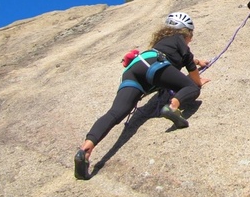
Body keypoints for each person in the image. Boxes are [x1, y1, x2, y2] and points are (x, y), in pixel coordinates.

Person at [74, 12, 210, 180]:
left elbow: (185, 59)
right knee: (192, 88)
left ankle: (85, 150)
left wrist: (199, 62)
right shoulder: (179, 41)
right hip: (155, 66)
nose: (191, 39)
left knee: (116, 112)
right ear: (185, 32)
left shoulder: (163, 43)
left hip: (135, 70)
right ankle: (172, 107)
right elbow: (192, 74)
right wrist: (198, 81)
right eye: (191, 35)